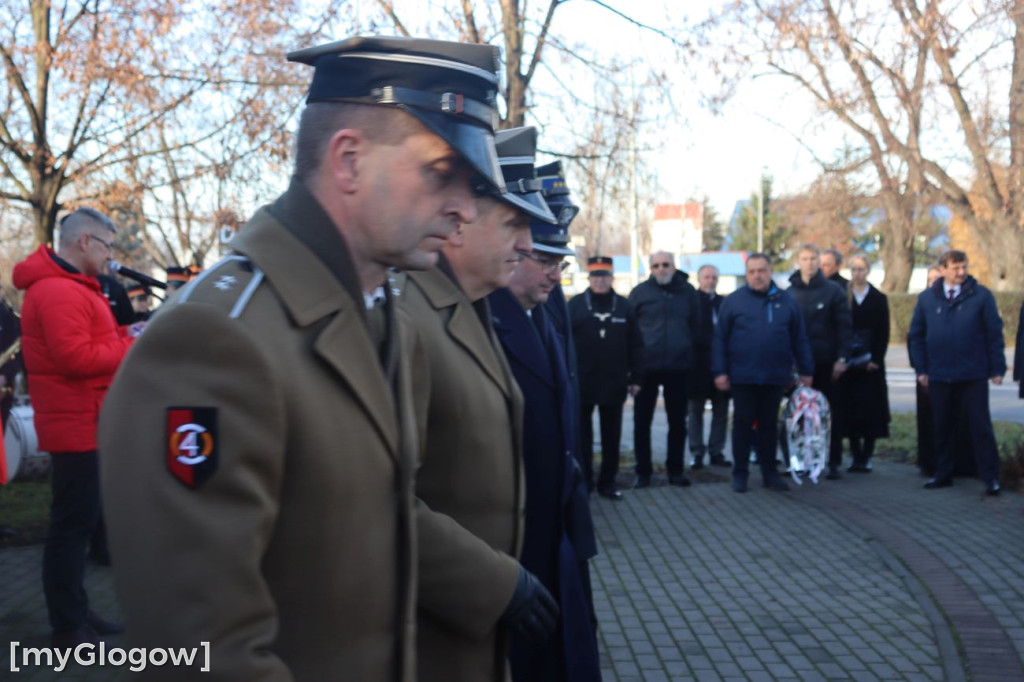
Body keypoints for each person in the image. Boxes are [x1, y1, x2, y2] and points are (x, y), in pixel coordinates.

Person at [99, 36, 506, 680]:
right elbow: (201, 653)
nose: (464, 206)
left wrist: (494, 587)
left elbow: (381, 519)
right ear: (348, 160)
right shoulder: (214, 340)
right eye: (440, 172)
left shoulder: (379, 313)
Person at [402, 126, 559, 682]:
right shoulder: (408, 318)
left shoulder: (472, 308)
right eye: (514, 224)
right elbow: (384, 499)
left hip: (474, 629)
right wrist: (493, 584)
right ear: (460, 226)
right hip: (434, 629)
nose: (526, 243)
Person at [12, 207, 133, 648]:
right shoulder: (60, 292)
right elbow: (76, 359)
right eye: (107, 246)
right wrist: (130, 343)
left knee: (77, 525)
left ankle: (77, 610)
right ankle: (67, 625)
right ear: (85, 242)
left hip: (87, 420)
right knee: (70, 529)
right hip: (76, 425)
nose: (110, 256)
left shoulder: (74, 288)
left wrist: (123, 336)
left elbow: (92, 346)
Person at [489, 220, 601, 682]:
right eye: (547, 262)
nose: (557, 276)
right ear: (513, 255)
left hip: (556, 532)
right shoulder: (488, 320)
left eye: (562, 264)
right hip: (516, 542)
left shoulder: (542, 317)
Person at [713, 253, 813, 493]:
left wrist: (806, 370)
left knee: (769, 426)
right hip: (743, 376)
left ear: (770, 272)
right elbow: (719, 340)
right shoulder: (733, 302)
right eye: (752, 272)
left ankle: (770, 473)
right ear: (747, 274)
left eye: (762, 271)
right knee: (742, 425)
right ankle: (740, 474)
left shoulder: (787, 301)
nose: (757, 276)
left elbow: (799, 338)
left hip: (775, 375)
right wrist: (720, 371)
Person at [909, 250, 1005, 496]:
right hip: (939, 374)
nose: (961, 272)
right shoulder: (927, 299)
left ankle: (990, 477)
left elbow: (994, 333)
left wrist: (997, 367)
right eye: (955, 268)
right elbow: (916, 337)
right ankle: (943, 473)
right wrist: (921, 369)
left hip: (972, 373)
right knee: (942, 426)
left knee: (980, 426)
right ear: (942, 270)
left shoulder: (981, 296)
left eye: (964, 267)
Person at [569, 256, 641, 500]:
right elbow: (563, 343)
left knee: (612, 437)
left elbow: (636, 345)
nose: (600, 281)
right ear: (589, 278)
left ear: (612, 278)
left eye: (604, 276)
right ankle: (585, 482)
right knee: (582, 436)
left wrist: (636, 378)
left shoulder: (623, 306)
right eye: (595, 276)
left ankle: (607, 483)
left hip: (614, 381)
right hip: (582, 382)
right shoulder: (575, 306)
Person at [628, 251, 699, 487]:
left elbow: (697, 326)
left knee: (678, 422)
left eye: (665, 264)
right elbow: (630, 332)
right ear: (650, 268)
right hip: (646, 368)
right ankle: (643, 473)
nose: (661, 269)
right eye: (656, 265)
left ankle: (676, 471)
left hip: (678, 367)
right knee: (641, 423)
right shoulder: (640, 293)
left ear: (673, 266)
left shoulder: (688, 293)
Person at [787, 243, 852, 479]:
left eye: (814, 258)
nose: (810, 263)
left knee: (829, 413)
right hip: (798, 365)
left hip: (827, 362)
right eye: (805, 258)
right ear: (798, 261)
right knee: (799, 416)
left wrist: (842, 358)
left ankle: (832, 461)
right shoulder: (789, 293)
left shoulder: (833, 291)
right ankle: (800, 461)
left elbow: (845, 328)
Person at [838, 255, 890, 472]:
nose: (857, 273)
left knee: (870, 411)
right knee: (849, 410)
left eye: (861, 269)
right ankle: (855, 455)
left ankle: (867, 455)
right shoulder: (843, 296)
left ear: (868, 271)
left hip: (870, 366)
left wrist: (876, 360)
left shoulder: (878, 298)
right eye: (854, 269)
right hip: (849, 365)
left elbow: (883, 331)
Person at [687, 264, 731, 470]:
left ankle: (717, 451)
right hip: (697, 366)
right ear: (699, 279)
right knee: (695, 411)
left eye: (714, 277)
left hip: (721, 365)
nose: (710, 281)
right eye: (706, 277)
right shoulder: (692, 301)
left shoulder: (724, 303)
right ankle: (696, 452)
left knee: (720, 410)